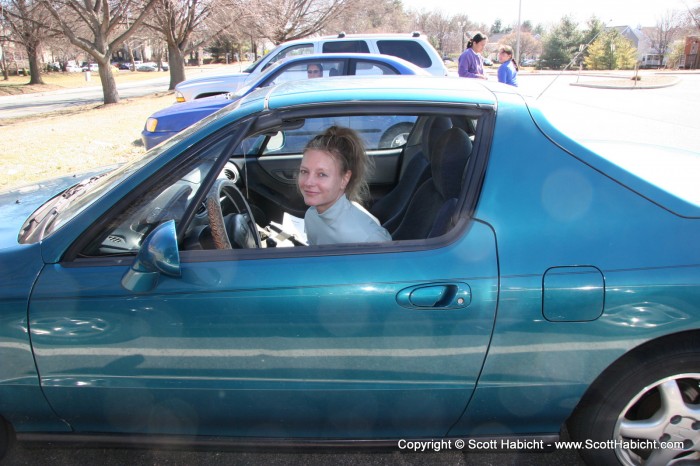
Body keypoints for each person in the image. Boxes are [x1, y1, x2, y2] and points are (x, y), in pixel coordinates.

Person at [299, 126, 392, 245]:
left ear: (344, 179)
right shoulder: (311, 215)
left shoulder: (369, 239)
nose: (308, 182)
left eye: (322, 174)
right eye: (304, 171)